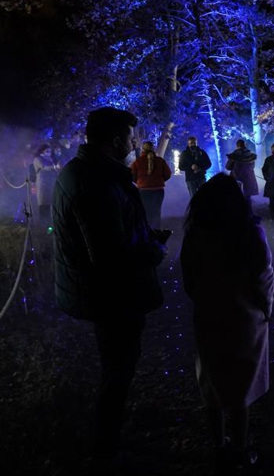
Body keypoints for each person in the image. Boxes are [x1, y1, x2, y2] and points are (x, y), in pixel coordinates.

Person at [52, 107, 168, 462]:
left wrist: (146, 235)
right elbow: (109, 255)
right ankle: (105, 450)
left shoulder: (87, 173)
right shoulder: (96, 182)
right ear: (116, 141)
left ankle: (108, 439)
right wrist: (153, 251)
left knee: (116, 368)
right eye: (131, 139)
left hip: (104, 293)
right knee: (118, 370)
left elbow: (112, 232)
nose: (134, 145)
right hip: (112, 297)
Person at [180, 173, 274, 473]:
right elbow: (263, 277)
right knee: (240, 385)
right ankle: (241, 450)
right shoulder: (249, 232)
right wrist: (266, 309)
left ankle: (219, 447)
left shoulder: (196, 233)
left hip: (208, 314)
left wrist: (201, 299)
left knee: (212, 381)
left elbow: (189, 277)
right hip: (244, 318)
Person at [130, 142, 172, 229]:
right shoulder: (160, 161)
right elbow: (168, 174)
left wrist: (139, 182)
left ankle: (146, 231)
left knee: (145, 211)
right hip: (158, 190)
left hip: (143, 190)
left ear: (143, 150)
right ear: (153, 149)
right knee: (156, 211)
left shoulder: (137, 162)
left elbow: (132, 175)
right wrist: (159, 181)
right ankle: (156, 231)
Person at [32, 143, 61, 219]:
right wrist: (54, 167)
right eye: (47, 151)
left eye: (50, 151)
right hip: (43, 185)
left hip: (51, 184)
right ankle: (43, 224)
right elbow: (44, 167)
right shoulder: (37, 159)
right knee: (43, 204)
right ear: (42, 151)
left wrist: (57, 170)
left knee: (51, 203)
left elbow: (54, 171)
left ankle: (49, 224)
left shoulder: (50, 159)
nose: (49, 152)